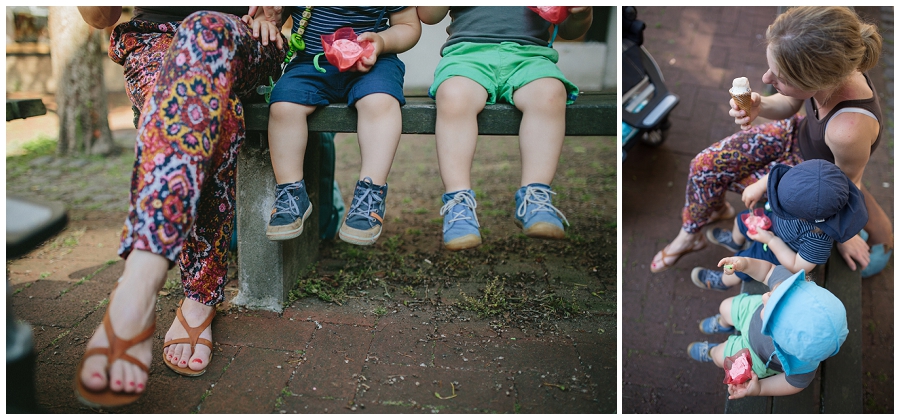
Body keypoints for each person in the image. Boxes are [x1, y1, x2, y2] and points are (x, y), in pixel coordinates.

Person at [74, 6, 285, 407]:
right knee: (213, 116)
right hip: (154, 41)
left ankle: (138, 285)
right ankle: (197, 294)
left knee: (204, 28)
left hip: (241, 36)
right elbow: (99, 19)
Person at [649, 7, 891, 277]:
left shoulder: (847, 131)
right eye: (771, 68)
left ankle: (710, 225)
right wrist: (760, 105)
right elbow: (790, 102)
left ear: (817, 82)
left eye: (780, 78)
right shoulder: (829, 67)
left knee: (738, 187)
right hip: (793, 135)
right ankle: (697, 226)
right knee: (705, 165)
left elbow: (846, 183)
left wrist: (844, 233)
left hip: (811, 178)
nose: (765, 79)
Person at [416, 6, 592, 251]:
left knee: (550, 94)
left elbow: (570, 30)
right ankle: (458, 203)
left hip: (530, 56)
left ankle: (535, 197)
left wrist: (582, 13)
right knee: (454, 96)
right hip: (467, 54)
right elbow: (428, 15)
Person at [264, 7, 421, 246]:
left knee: (380, 102)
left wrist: (382, 42)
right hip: (312, 63)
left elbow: (409, 27)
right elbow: (270, 12)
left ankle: (370, 193)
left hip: (374, 63)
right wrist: (262, 20)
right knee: (283, 107)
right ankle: (290, 192)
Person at [692, 159, 867, 291]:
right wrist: (759, 186)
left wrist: (770, 241)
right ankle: (734, 241)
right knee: (741, 219)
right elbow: (781, 175)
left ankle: (723, 281)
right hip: (771, 223)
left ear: (804, 219)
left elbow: (797, 266)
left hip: (779, 250)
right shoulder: (815, 177)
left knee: (744, 262)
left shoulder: (817, 239)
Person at [687, 256, 848, 399]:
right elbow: (768, 271)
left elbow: (794, 384)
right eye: (775, 294)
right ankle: (723, 324)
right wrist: (745, 264)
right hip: (751, 313)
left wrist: (760, 388)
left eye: (769, 307)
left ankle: (712, 352)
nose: (766, 295)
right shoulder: (789, 289)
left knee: (719, 356)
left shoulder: (803, 363)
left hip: (757, 357)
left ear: (778, 338)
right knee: (725, 307)